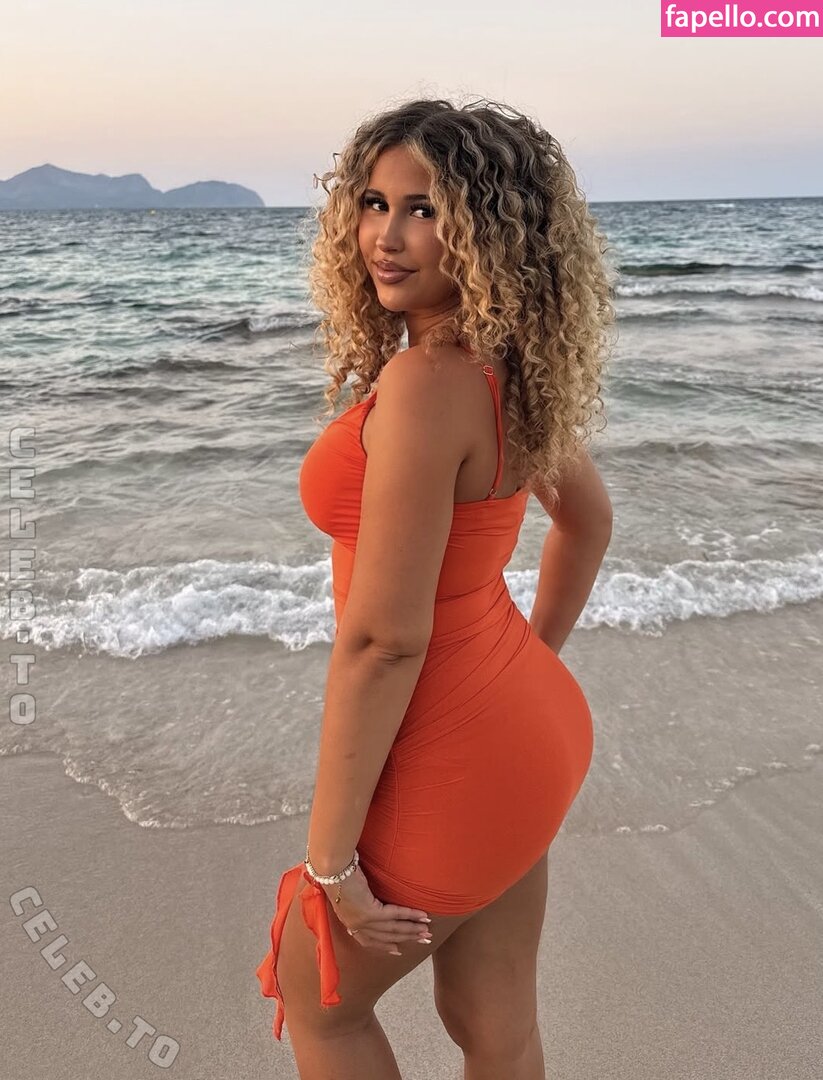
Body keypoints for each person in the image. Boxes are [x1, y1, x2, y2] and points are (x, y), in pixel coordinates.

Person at [256, 96, 617, 1080]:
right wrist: (527, 663)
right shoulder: (507, 370)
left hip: (457, 745)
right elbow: (587, 522)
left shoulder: (426, 384)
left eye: (424, 209)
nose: (386, 235)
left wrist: (330, 862)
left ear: (492, 232)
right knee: (492, 1021)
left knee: (319, 1003)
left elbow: (384, 641)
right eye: (373, 203)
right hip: (528, 728)